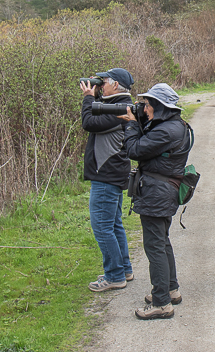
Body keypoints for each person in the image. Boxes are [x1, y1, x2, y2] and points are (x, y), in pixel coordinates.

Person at [121, 83, 192, 320]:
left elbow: (134, 149)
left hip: (157, 192)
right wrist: (140, 121)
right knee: (162, 242)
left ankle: (161, 302)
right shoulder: (172, 126)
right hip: (162, 191)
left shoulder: (166, 131)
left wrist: (131, 124)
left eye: (149, 105)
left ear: (161, 107)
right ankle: (171, 290)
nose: (146, 108)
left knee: (154, 246)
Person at [80, 68, 135, 292]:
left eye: (104, 82)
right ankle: (124, 269)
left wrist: (87, 98)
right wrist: (95, 93)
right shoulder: (119, 104)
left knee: (102, 227)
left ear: (115, 85)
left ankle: (114, 276)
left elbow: (89, 123)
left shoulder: (119, 109)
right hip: (113, 172)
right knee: (114, 224)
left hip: (106, 174)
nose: (100, 85)